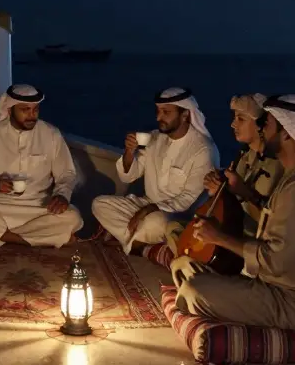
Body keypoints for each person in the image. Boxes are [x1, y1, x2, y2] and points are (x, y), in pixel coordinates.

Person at [175, 94, 295, 332]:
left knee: (192, 290)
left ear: (288, 132)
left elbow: (274, 261)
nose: (261, 130)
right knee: (183, 265)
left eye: (266, 124)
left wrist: (218, 238)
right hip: (285, 287)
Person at [0, 84, 83, 247]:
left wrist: (62, 195)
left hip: (39, 204)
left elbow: (66, 173)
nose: (31, 116)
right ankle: (31, 239)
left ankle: (5, 237)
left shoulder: (51, 134)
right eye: (25, 110)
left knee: (74, 217)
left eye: (35, 110)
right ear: (10, 110)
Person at [92, 87, 216, 254]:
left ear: (185, 114)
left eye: (166, 112)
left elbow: (188, 200)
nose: (158, 117)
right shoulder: (155, 137)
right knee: (100, 204)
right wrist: (129, 152)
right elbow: (129, 176)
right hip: (147, 204)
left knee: (156, 223)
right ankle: (141, 244)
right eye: (158, 111)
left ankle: (135, 243)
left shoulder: (203, 149)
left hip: (176, 215)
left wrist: (149, 210)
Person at [204, 93, 286, 236]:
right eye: (234, 118)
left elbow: (275, 224)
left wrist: (244, 193)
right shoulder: (244, 156)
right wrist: (218, 189)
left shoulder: (279, 165)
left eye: (241, 119)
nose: (233, 124)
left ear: (260, 125)